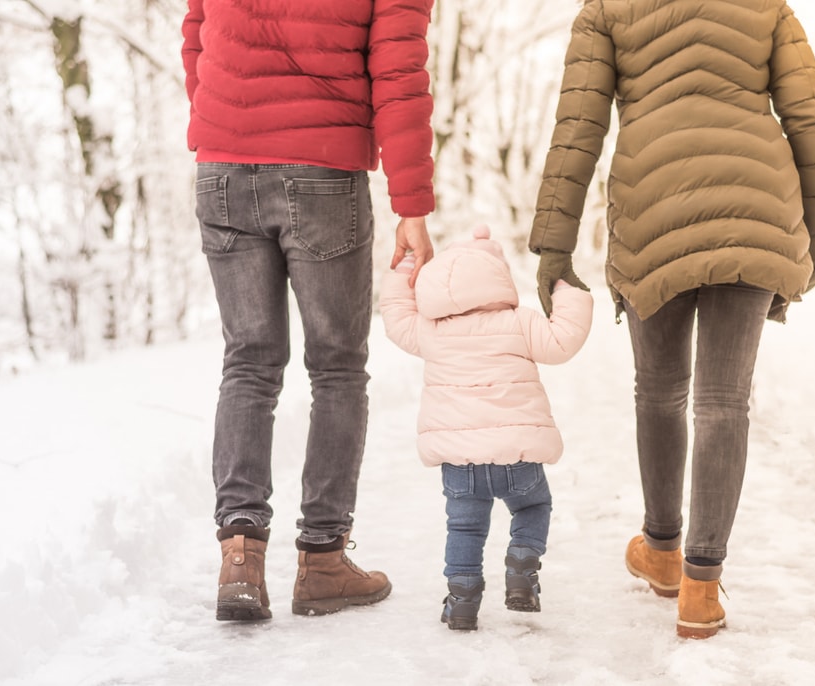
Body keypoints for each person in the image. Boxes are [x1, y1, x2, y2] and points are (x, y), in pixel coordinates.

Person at [529, 0, 815, 638]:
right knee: (724, 402)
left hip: (652, 209)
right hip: (756, 206)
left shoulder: (606, 9)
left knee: (659, 389)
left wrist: (554, 247)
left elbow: (579, 126)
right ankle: (701, 588)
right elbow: (808, 115)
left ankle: (663, 551)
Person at [181, 0, 437, 621]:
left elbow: (196, 35)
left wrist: (225, 122)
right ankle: (323, 562)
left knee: (249, 362)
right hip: (322, 167)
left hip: (223, 164)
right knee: (338, 369)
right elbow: (398, 71)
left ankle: (239, 560)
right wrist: (412, 204)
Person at [379, 226, 593, 631]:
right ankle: (522, 565)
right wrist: (567, 290)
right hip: (518, 458)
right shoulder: (519, 322)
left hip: (461, 465)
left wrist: (404, 267)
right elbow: (563, 340)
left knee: (464, 527)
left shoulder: (431, 330)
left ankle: (461, 601)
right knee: (533, 506)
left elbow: (395, 315)